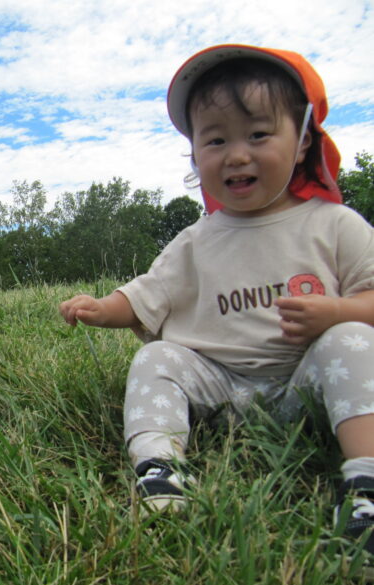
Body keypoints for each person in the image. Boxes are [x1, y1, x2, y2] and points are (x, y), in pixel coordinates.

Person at [59, 44, 374, 551]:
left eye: (258, 134)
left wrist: (338, 313)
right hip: (222, 391)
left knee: (354, 340)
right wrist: (100, 308)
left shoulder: (333, 225)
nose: (237, 154)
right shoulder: (196, 240)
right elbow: (146, 297)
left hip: (307, 384)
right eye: (215, 139)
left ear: (302, 143)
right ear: (195, 155)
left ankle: (365, 484)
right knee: (157, 356)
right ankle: (158, 471)